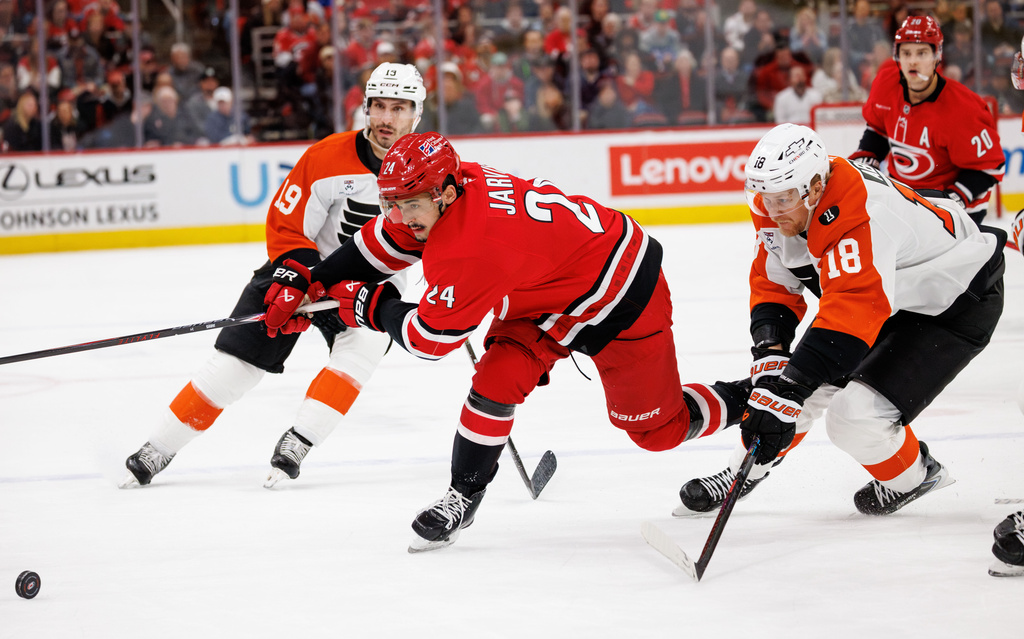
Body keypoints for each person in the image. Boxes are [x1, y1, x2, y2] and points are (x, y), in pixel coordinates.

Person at [262, 131, 754, 552]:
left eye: (408, 204)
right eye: (390, 202)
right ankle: (463, 496)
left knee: (656, 431)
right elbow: (382, 245)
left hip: (620, 294)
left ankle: (759, 397)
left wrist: (368, 306)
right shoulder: (449, 186)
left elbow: (429, 340)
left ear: (446, 194)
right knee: (496, 379)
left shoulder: (471, 248)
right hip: (545, 290)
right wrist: (311, 281)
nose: (397, 214)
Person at [672, 123, 1005, 520]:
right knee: (790, 390)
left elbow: (853, 310)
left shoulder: (859, 211)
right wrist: (770, 354)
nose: (771, 211)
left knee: (853, 418)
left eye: (782, 200)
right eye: (764, 198)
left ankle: (914, 477)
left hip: (952, 302)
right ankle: (738, 473)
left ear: (814, 189)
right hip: (889, 294)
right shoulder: (781, 201)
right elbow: (774, 283)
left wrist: (790, 387)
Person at [119, 63, 427, 489]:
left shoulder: (433, 167)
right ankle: (159, 447)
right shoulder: (327, 155)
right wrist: (295, 278)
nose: (387, 119)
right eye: (379, 106)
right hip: (306, 269)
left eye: (398, 108)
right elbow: (288, 222)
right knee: (235, 365)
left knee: (367, 344)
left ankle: (300, 440)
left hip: (372, 281)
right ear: (366, 108)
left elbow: (447, 231)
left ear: (417, 113)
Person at [849, 15, 1005, 225]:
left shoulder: (963, 107)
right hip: (904, 198)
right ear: (898, 57)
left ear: (936, 56)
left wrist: (952, 199)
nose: (913, 60)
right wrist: (866, 159)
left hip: (957, 210)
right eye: (906, 53)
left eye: (922, 53)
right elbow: (878, 129)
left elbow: (990, 167)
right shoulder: (885, 84)